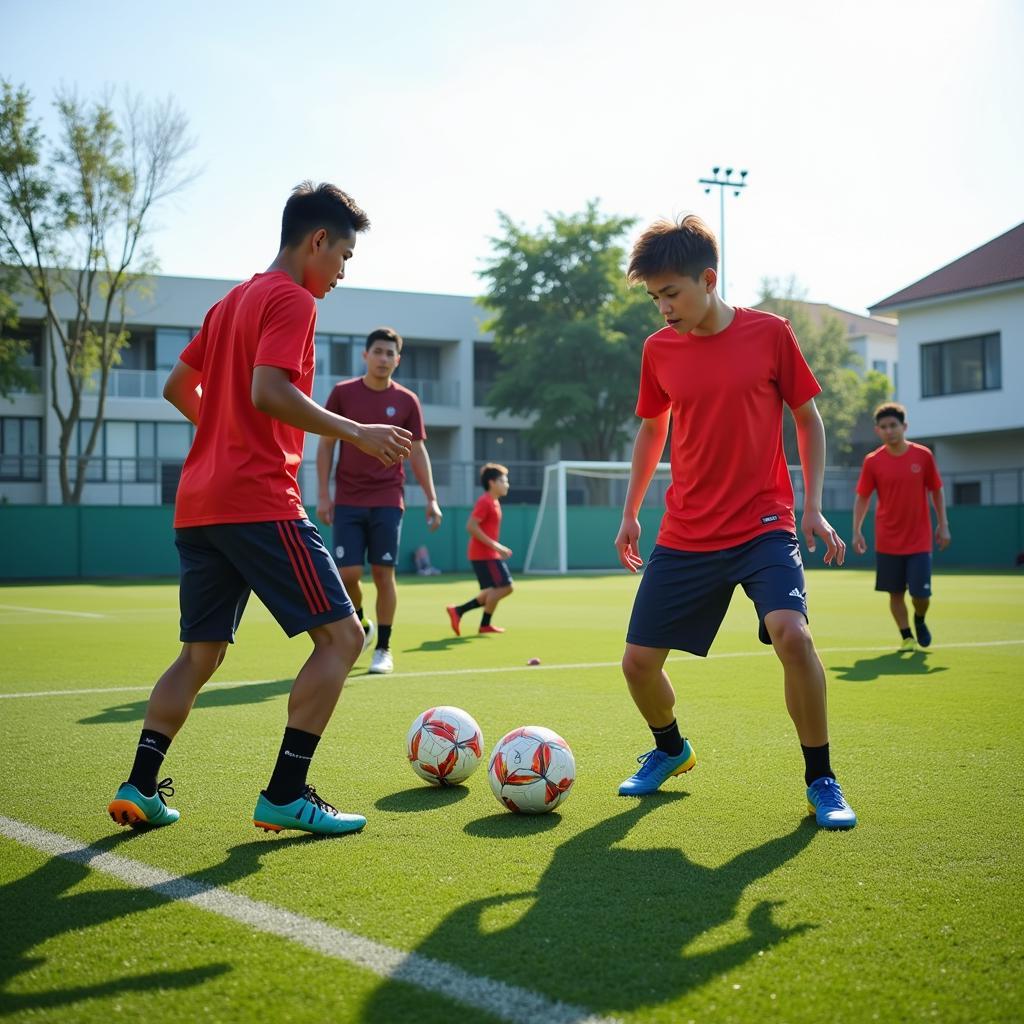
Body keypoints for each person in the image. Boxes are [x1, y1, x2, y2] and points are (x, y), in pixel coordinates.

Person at [106, 182, 413, 837]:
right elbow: (269, 391)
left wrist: (221, 431)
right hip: (258, 499)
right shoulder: (291, 299)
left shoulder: (231, 301)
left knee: (200, 654)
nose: (342, 273)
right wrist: (356, 432)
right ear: (317, 241)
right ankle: (286, 792)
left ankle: (140, 786)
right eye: (344, 257)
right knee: (343, 638)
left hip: (199, 504)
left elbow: (176, 385)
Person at [613, 214, 857, 829]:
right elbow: (652, 430)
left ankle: (821, 778)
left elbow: (808, 418)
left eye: (671, 293)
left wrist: (812, 504)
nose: (662, 308)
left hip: (762, 524)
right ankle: (671, 750)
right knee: (637, 664)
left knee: (792, 636)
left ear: (708, 279)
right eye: (654, 297)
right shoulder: (658, 350)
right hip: (687, 531)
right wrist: (630, 512)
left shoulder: (770, 334)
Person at [316, 327, 442, 675]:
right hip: (348, 498)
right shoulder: (342, 394)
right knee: (347, 573)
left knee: (384, 573)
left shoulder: (406, 401)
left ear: (397, 360)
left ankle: (383, 647)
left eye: (390, 354)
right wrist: (324, 495)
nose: (384, 359)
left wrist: (432, 498)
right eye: (378, 352)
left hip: (388, 497)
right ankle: (361, 626)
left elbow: (417, 451)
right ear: (365, 355)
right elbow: (326, 444)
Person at [852, 402, 950, 651]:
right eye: (883, 427)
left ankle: (919, 618)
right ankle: (907, 636)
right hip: (887, 539)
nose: (889, 430)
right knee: (895, 593)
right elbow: (863, 497)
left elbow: (937, 491)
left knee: (921, 595)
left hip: (919, 538)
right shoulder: (872, 461)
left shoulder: (923, 456)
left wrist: (943, 525)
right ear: (877, 431)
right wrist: (856, 531)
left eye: (893, 425)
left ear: (904, 426)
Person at [446, 463, 513, 636]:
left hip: (486, 554)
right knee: (506, 587)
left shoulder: (494, 502)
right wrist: (497, 547)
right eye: (503, 481)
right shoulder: (485, 501)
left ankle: (459, 612)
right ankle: (479, 621)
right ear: (492, 483)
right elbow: (471, 526)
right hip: (484, 555)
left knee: (492, 591)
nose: (507, 484)